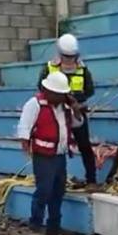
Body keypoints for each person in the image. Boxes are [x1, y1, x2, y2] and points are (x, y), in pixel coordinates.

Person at [16, 72, 84, 235]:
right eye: (58, 94)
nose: (61, 97)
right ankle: (36, 226)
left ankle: (54, 227)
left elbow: (77, 124)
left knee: (58, 191)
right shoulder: (35, 104)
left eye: (63, 94)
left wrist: (76, 111)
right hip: (43, 156)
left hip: (60, 154)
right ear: (48, 91)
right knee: (44, 191)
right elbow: (24, 126)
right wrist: (25, 144)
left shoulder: (65, 107)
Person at [38, 34, 99, 192]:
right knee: (58, 146)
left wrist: (78, 102)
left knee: (84, 145)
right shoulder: (49, 67)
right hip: (56, 111)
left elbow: (90, 90)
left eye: (72, 57)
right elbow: (41, 87)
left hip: (76, 109)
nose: (69, 60)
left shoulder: (83, 69)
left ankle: (91, 180)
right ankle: (58, 180)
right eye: (66, 57)